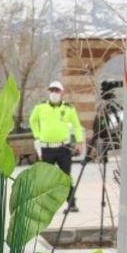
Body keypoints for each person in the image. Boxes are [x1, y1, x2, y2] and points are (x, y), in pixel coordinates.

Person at [28, 80, 85, 212]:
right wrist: (37, 135)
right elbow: (32, 120)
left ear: (61, 92)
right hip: (46, 147)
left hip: (63, 147)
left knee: (66, 176)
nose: (54, 93)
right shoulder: (40, 107)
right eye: (52, 90)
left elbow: (76, 125)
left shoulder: (68, 108)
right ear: (49, 92)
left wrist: (80, 141)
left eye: (57, 90)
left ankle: (71, 203)